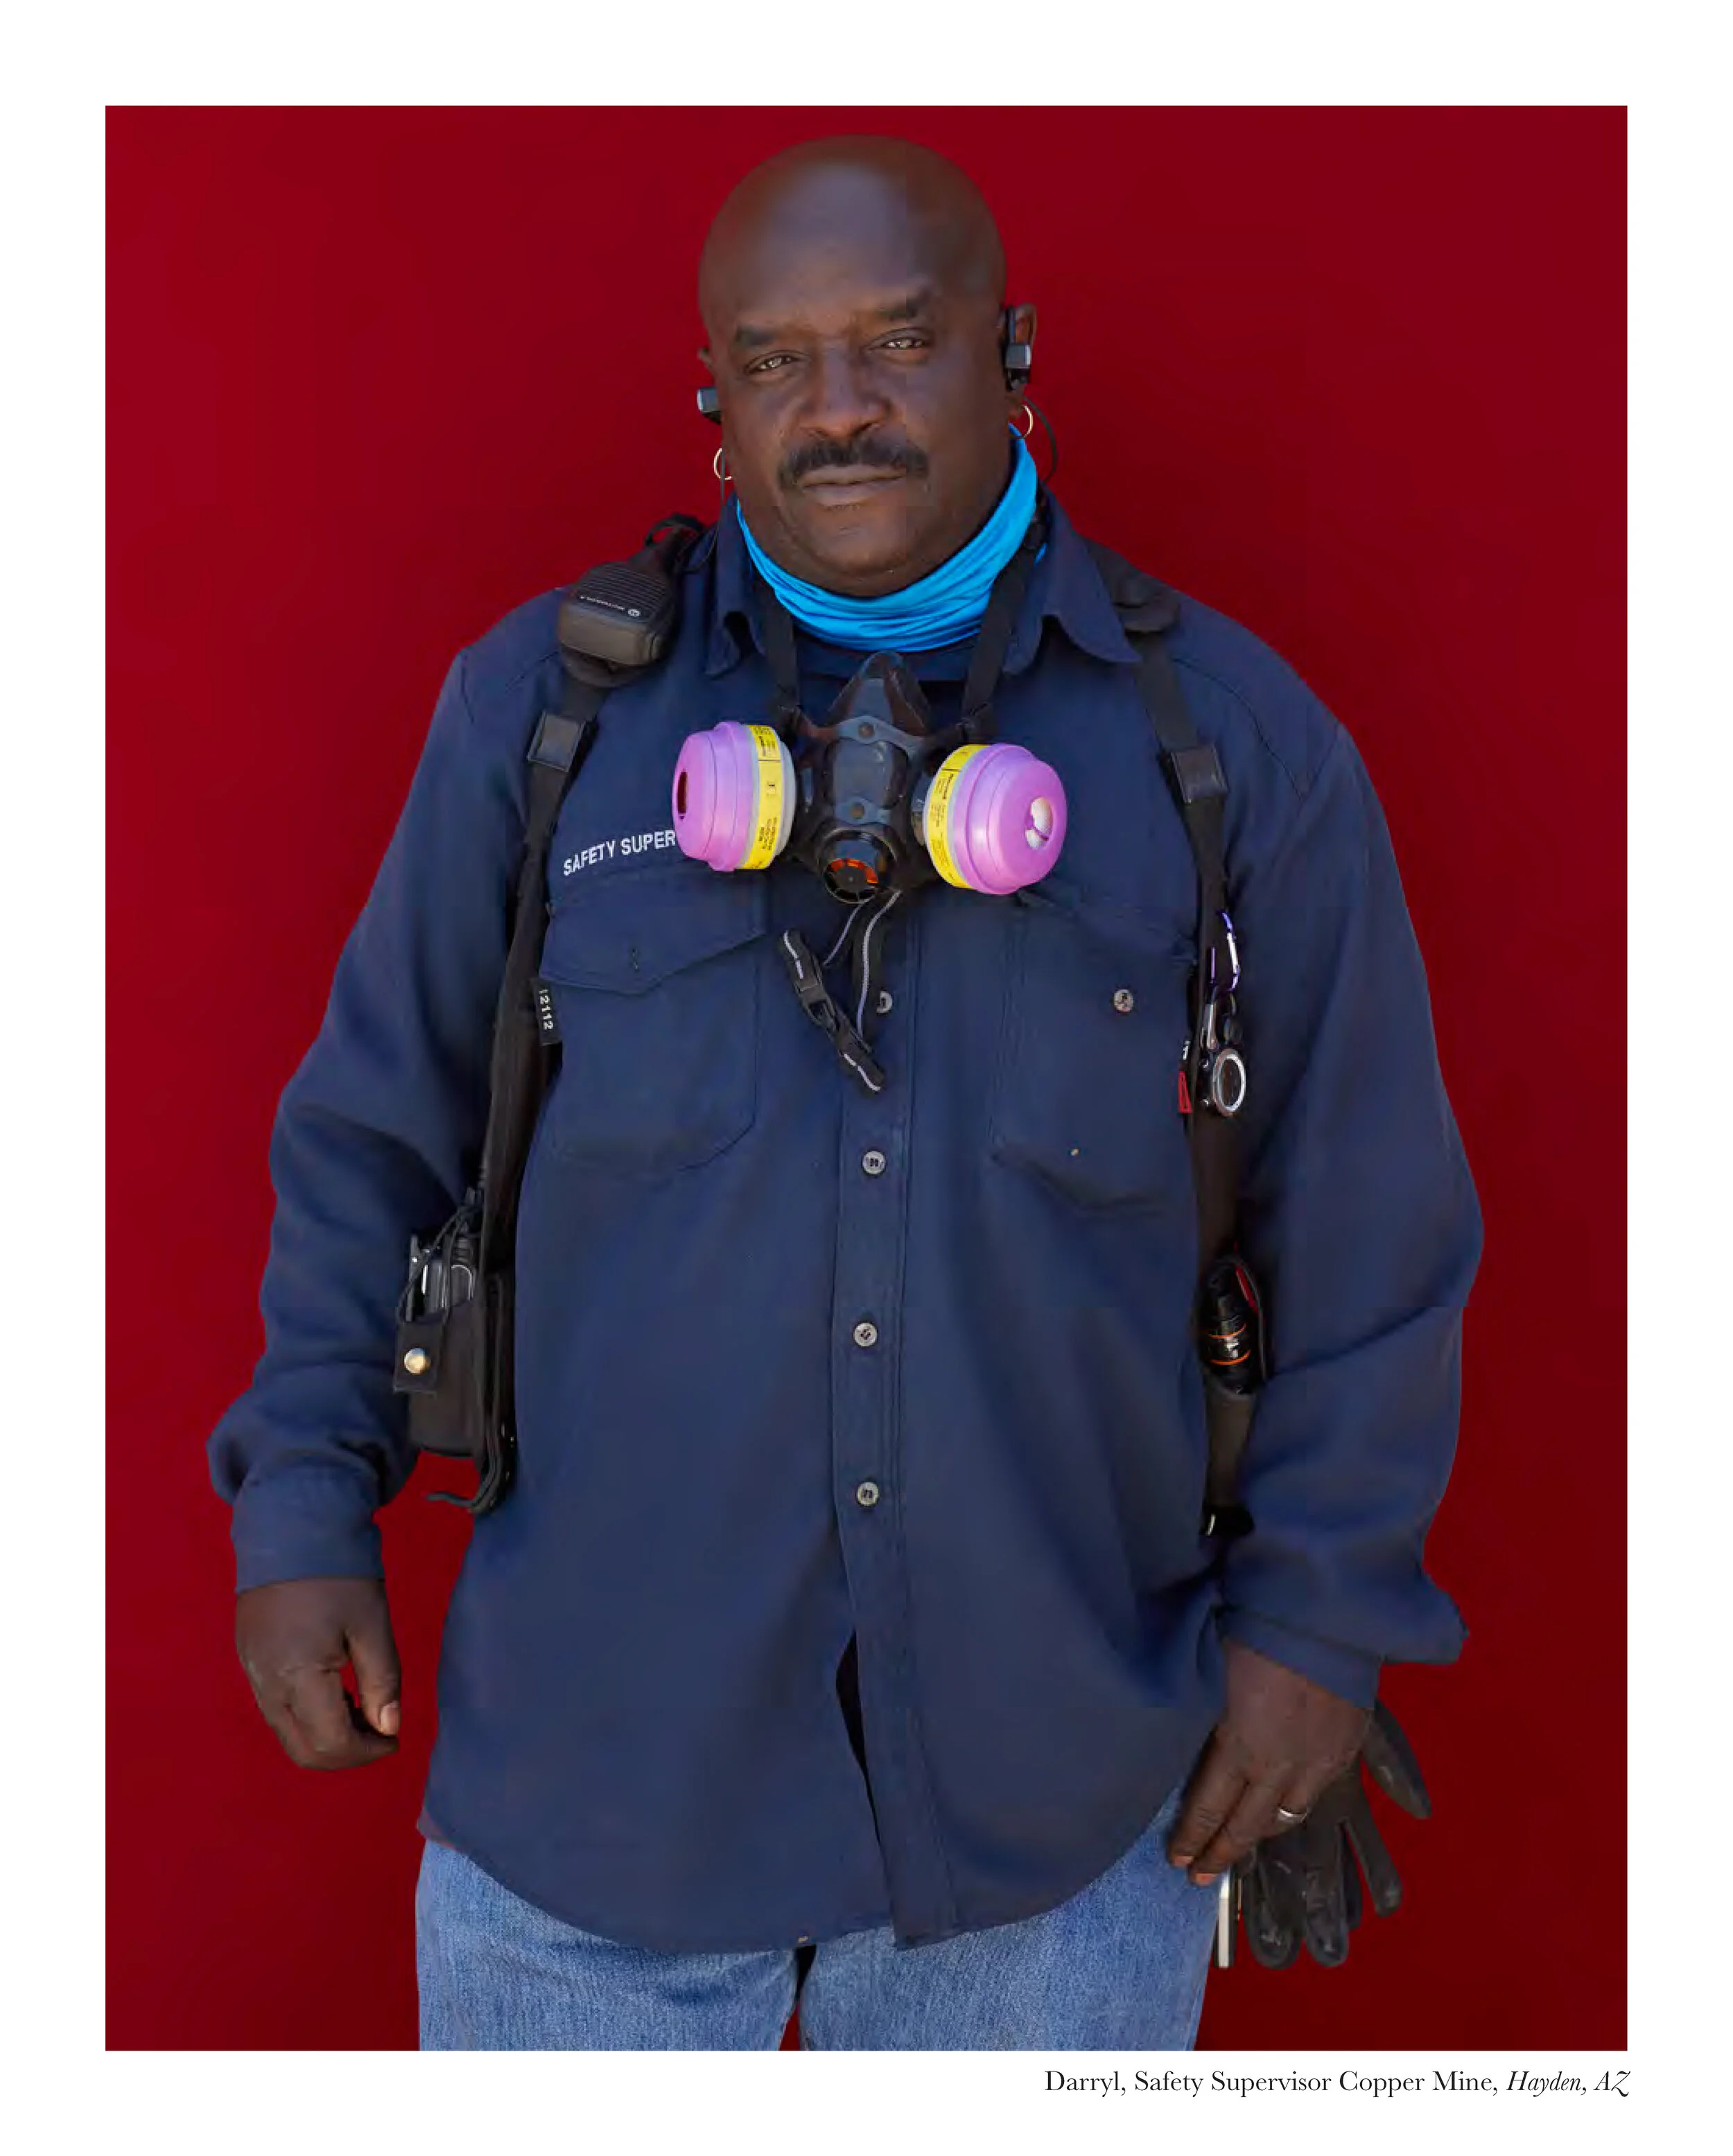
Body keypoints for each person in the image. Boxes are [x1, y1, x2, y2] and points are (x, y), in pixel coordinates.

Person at [211, 134, 1482, 2051]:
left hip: (1056, 1824)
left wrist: (1320, 1624)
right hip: (593, 1808)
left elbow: (1371, 1230)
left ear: (1011, 351)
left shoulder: (1228, 756)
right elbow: (368, 1144)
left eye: (896, 340)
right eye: (774, 359)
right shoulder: (544, 722)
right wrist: (304, 1504)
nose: (836, 409)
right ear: (713, 403)